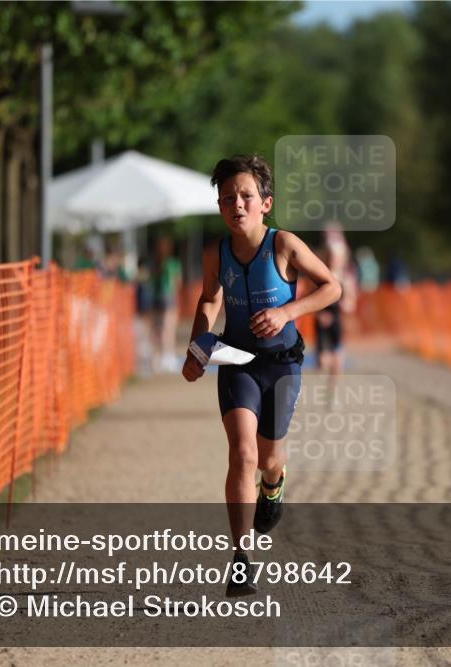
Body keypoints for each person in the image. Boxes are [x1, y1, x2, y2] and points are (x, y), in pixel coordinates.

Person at [181, 154, 341, 596]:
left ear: (265, 203)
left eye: (246, 196)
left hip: (283, 362)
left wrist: (287, 311)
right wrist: (197, 348)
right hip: (236, 361)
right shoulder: (215, 251)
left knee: (270, 459)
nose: (237, 205)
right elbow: (209, 300)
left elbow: (332, 286)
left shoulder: (284, 244)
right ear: (219, 206)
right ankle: (242, 559)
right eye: (228, 198)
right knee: (243, 453)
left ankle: (274, 485)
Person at [316, 222, 356, 377]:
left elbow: (350, 303)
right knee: (322, 362)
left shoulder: (346, 278)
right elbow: (310, 298)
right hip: (322, 319)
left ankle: (333, 393)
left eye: (338, 257)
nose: (335, 259)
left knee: (337, 359)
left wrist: (345, 305)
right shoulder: (320, 275)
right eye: (332, 256)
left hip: (337, 318)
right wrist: (320, 314)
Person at [151, 236, 182, 373]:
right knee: (169, 328)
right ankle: (168, 357)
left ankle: (157, 357)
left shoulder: (156, 263)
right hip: (169, 297)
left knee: (157, 328)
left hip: (157, 297)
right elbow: (178, 282)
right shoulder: (173, 263)